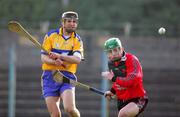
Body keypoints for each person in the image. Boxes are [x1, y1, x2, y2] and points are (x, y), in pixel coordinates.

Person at [41, 11, 84, 117]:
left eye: (74, 21)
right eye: (69, 21)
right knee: (55, 114)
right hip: (49, 76)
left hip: (67, 77)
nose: (72, 23)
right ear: (63, 23)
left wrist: (60, 57)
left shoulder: (77, 40)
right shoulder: (51, 35)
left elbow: (77, 59)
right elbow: (43, 57)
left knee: (70, 109)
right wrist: (54, 61)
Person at [101, 37, 148, 117]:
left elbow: (133, 80)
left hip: (137, 99)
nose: (113, 53)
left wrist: (113, 78)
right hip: (121, 101)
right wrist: (112, 91)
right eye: (110, 52)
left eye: (116, 50)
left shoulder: (132, 59)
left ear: (122, 49)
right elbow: (119, 81)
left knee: (123, 114)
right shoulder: (111, 64)